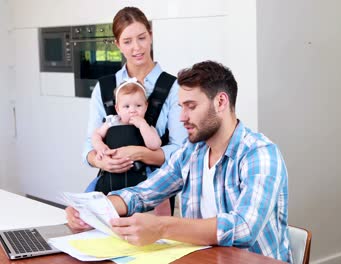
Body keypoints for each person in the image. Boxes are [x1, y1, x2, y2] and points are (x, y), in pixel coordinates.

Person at [68, 61, 291, 262]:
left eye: (191, 106)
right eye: (181, 107)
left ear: (221, 102)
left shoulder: (259, 154)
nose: (182, 117)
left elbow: (243, 227)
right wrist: (89, 210)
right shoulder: (192, 152)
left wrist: (163, 227)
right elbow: (144, 193)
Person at [83, 7, 187, 215]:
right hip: (110, 190)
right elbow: (88, 145)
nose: (136, 48)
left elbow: (181, 152)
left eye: (141, 38)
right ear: (117, 44)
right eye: (127, 41)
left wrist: (139, 153)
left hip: (155, 195)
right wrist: (102, 160)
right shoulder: (104, 88)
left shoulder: (174, 88)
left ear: (151, 35)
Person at [91, 78, 162, 194]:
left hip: (140, 176)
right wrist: (100, 146)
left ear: (146, 106)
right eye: (127, 106)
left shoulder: (147, 126)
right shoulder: (112, 122)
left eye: (138, 105)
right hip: (111, 175)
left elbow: (155, 145)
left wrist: (142, 125)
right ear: (117, 109)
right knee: (90, 192)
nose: (132, 111)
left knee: (160, 191)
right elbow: (96, 134)